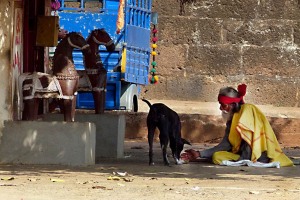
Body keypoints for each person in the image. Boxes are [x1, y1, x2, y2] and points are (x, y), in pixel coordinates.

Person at [183, 84, 294, 167]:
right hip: (242, 156)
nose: (221, 109)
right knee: (218, 156)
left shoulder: (247, 110)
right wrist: (199, 154)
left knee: (218, 158)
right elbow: (225, 145)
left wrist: (243, 160)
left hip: (259, 156)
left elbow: (250, 140)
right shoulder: (232, 119)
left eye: (223, 105)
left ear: (233, 104)